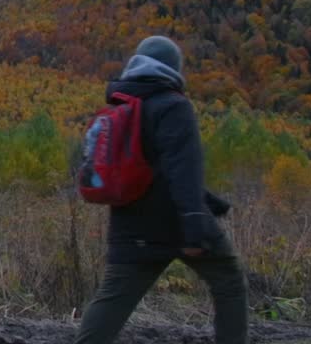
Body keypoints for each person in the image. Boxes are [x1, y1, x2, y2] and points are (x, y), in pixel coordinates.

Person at [75, 36, 247, 344]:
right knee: (228, 280)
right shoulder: (174, 105)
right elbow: (182, 169)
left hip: (130, 224)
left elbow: (155, 166)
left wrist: (210, 201)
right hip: (178, 223)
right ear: (174, 69)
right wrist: (196, 222)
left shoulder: (126, 106)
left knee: (112, 299)